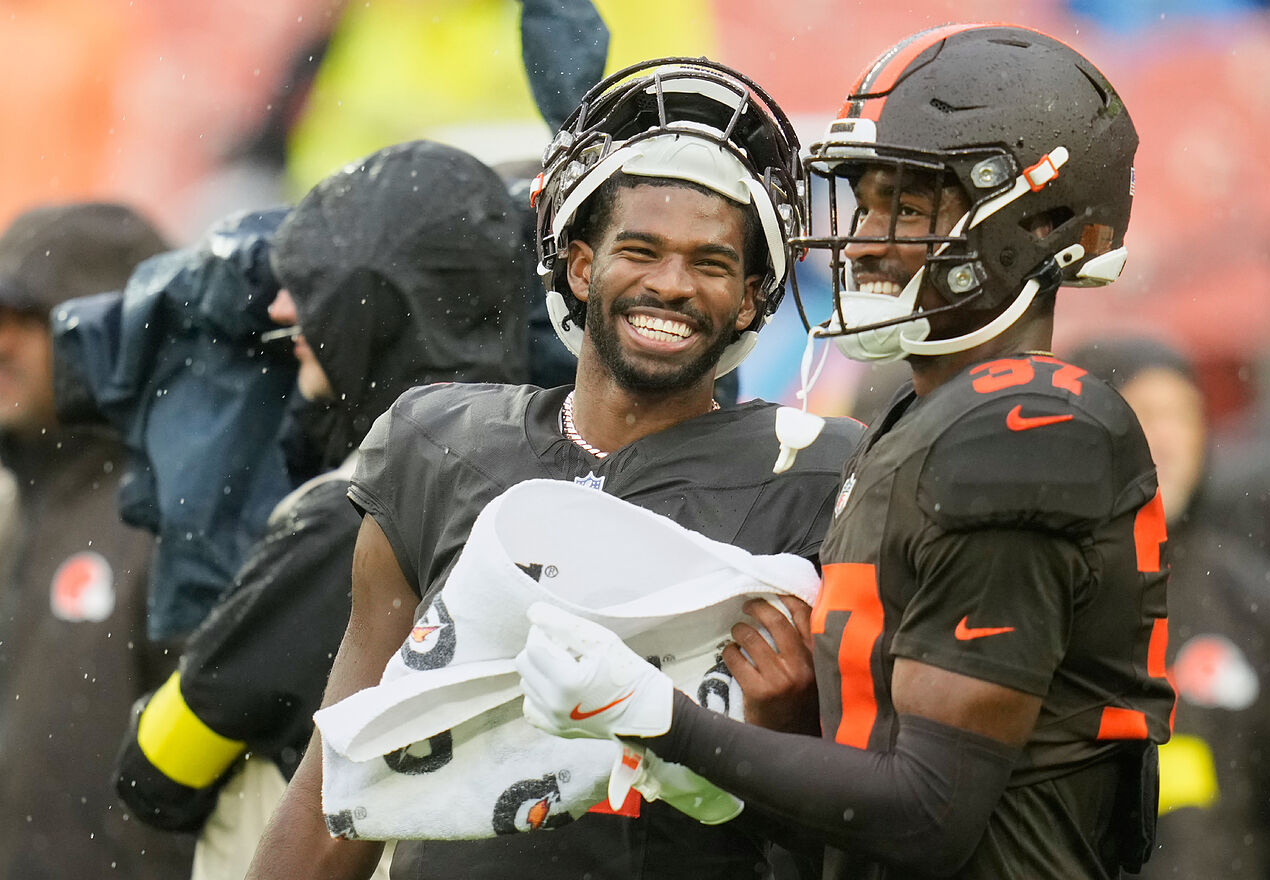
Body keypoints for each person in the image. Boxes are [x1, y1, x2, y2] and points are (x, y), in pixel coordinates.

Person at [517, 24, 1177, 880]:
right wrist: (789, 726)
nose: (863, 241)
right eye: (866, 202)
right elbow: (876, 808)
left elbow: (930, 815)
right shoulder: (932, 416)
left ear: (1039, 221)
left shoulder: (1023, 436)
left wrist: (659, 717)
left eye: (906, 206)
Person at [246, 57, 863, 880]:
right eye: (640, 249)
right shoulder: (438, 447)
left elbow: (874, 818)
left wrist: (786, 728)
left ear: (752, 297)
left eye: (711, 264)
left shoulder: (820, 479)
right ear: (579, 266)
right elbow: (344, 779)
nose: (672, 285)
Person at [111, 139, 529, 880]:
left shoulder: (350, 518)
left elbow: (154, 775)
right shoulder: (539, 482)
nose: (276, 309)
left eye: (311, 285)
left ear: (379, 313)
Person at [1067, 336, 1270, 880]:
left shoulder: (1260, 608)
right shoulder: (1036, 594)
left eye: (1185, 415)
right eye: (1146, 414)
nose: (1171, 440)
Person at [0, 202, 195, 879]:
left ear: (125, 328)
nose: (1, 342)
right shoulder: (25, 498)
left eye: (32, 318)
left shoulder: (176, 513)